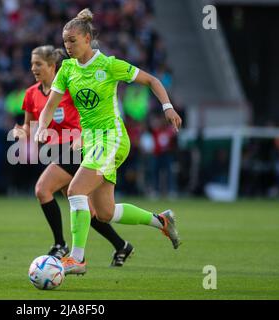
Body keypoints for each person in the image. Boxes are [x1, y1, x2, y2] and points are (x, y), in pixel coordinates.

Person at [35, 9, 182, 275]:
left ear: (88, 38)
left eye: (73, 40)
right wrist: (41, 128)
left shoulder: (109, 65)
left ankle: (77, 259)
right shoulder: (67, 69)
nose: (68, 46)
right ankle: (160, 221)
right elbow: (50, 105)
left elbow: (151, 80)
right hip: (91, 142)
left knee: (75, 190)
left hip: (112, 138)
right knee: (105, 213)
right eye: (65, 41)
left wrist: (167, 107)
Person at [13, 45, 134, 267]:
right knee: (86, 208)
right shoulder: (31, 94)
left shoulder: (69, 87)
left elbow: (88, 113)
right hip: (55, 151)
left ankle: (61, 245)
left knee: (42, 189)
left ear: (52, 66)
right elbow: (29, 125)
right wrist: (21, 132)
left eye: (38, 64)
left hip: (77, 148)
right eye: (32, 64)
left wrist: (82, 137)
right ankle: (121, 245)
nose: (34, 68)